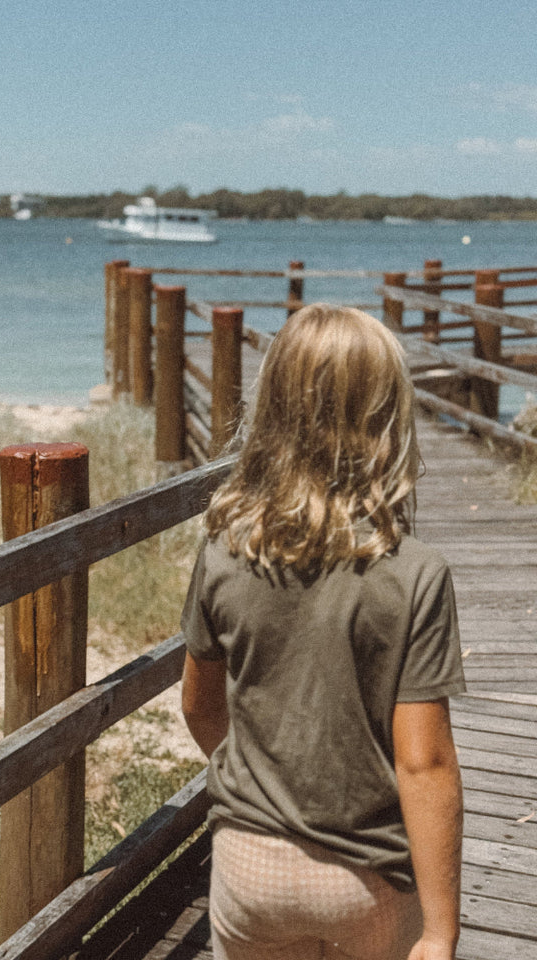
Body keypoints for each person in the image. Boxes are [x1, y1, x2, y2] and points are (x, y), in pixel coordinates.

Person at [181, 304, 465, 960]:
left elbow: (200, 706)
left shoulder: (224, 549)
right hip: (368, 882)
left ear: (272, 409)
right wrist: (440, 930)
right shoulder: (415, 573)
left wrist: (266, 781)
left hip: (250, 865)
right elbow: (424, 763)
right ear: (388, 417)